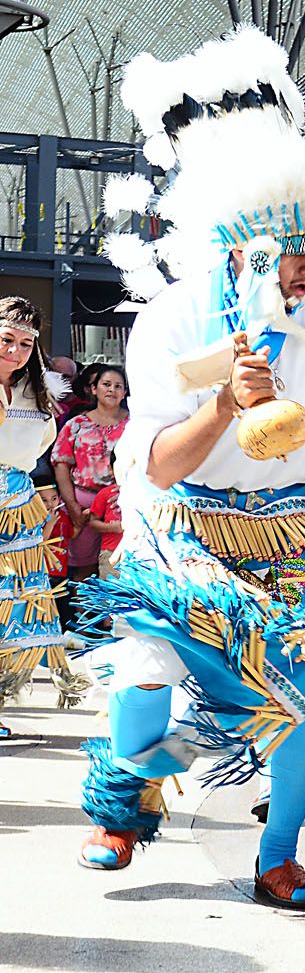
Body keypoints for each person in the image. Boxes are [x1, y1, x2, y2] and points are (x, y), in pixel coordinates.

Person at [74, 26, 305, 910]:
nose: (303, 282)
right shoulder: (175, 323)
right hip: (185, 530)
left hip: (295, 530)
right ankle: (122, 796)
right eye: (286, 268)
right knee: (147, 681)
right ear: (238, 256)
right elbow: (163, 466)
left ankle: (280, 853)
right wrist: (225, 398)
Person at [0, 297, 83, 737]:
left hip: (16, 508)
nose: (15, 351)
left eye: (25, 343)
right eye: (7, 339)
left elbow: (36, 451)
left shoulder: (38, 393)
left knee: (10, 608)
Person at [51, 362, 128, 582]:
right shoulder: (76, 424)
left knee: (117, 567)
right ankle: (83, 616)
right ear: (94, 389)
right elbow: (61, 465)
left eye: (118, 386)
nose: (112, 389)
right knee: (83, 569)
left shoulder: (134, 425)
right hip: (82, 505)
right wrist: (72, 505)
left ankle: (112, 617)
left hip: (120, 505)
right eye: (106, 384)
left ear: (124, 393)